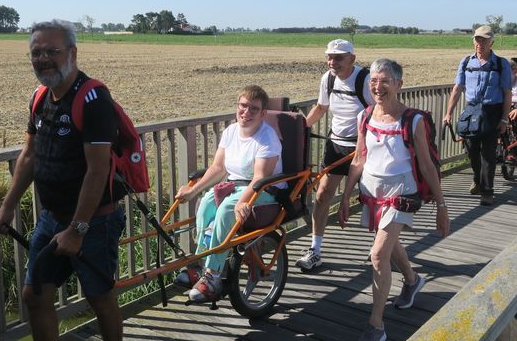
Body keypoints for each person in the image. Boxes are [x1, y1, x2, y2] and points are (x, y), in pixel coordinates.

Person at [0, 20, 125, 341]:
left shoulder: (93, 100)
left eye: (52, 51)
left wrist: (77, 230)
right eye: (36, 53)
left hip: (94, 222)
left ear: (72, 53)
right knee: (34, 295)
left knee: (99, 298)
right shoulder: (40, 97)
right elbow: (29, 155)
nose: (43, 59)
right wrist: (8, 207)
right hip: (51, 219)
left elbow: (98, 170)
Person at [338, 59, 450, 341]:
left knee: (378, 255)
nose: (378, 86)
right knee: (388, 245)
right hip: (372, 192)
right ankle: (412, 281)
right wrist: (345, 197)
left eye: (385, 80)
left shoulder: (413, 121)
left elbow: (426, 166)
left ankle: (376, 326)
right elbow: (359, 158)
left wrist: (441, 205)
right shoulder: (364, 116)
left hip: (401, 193)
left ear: (399, 85)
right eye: (374, 81)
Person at [174, 85, 284, 302]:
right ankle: (201, 263)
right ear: (237, 106)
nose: (246, 112)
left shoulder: (267, 138)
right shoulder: (230, 131)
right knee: (205, 203)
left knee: (225, 209)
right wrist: (192, 190)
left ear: (263, 113)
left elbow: (259, 178)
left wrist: (242, 202)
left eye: (254, 109)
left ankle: (213, 275)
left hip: (264, 189)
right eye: (243, 106)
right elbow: (218, 168)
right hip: (235, 185)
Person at [296, 38, 373, 271]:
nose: (332, 62)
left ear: (352, 58)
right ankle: (315, 250)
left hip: (364, 148)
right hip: (336, 145)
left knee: (371, 198)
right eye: (329, 57)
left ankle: (380, 246)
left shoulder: (365, 79)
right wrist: (299, 130)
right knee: (322, 196)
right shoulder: (327, 78)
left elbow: (378, 111)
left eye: (338, 58)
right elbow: (321, 107)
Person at [443, 25, 512, 206]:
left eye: (484, 40)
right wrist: (448, 113)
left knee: (488, 153)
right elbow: (457, 89)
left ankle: (487, 192)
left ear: (492, 42)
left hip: (492, 112)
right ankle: (477, 178)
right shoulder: (466, 62)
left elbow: (507, 93)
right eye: (477, 39)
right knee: (472, 150)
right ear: (473, 41)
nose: (480, 43)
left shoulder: (500, 64)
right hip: (472, 111)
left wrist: (504, 118)